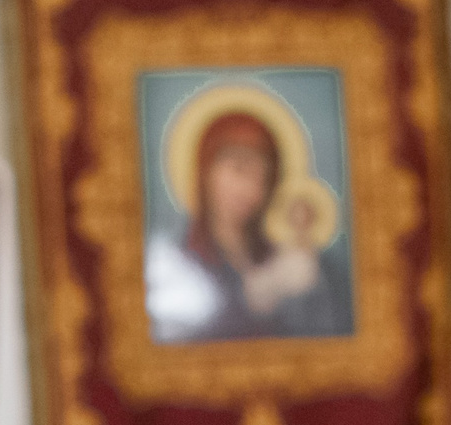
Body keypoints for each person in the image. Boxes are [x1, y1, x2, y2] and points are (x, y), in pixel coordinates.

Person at [145, 105, 353, 343]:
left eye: (263, 178)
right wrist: (251, 300)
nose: (252, 190)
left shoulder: (281, 256)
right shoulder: (173, 262)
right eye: (239, 170)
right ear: (205, 171)